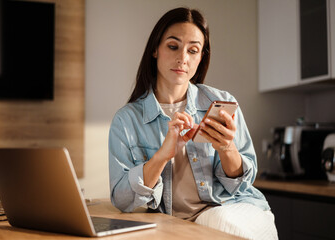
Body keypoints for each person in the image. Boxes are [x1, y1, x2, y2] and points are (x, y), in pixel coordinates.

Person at [108, 7, 278, 239]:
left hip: (237, 211)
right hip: (179, 226)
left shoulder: (222, 103)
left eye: (193, 50)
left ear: (201, 57)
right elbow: (121, 199)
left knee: (216, 220)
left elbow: (242, 185)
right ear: (155, 49)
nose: (183, 58)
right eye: (173, 46)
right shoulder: (126, 120)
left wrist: (227, 148)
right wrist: (162, 156)